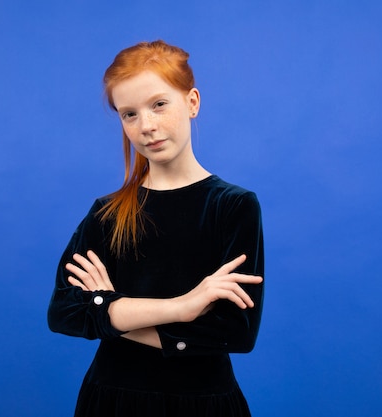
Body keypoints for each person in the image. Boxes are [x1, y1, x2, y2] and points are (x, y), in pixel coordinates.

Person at [47, 40, 264, 417]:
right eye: (129, 114)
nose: (146, 126)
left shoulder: (233, 206)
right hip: (111, 401)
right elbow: (64, 311)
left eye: (159, 104)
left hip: (203, 404)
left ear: (192, 102)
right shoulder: (106, 213)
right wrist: (182, 308)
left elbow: (235, 332)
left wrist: (110, 311)